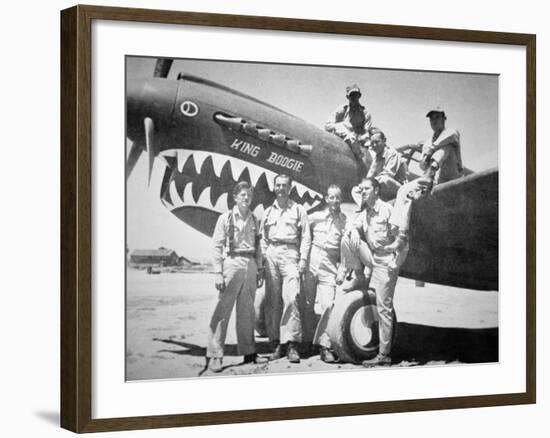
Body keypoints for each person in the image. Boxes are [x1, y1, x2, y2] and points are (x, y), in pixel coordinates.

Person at [336, 178, 409, 367]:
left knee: (384, 307)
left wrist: (396, 262)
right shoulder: (365, 212)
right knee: (347, 238)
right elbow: (352, 225)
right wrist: (352, 230)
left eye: (366, 189)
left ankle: (384, 354)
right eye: (361, 189)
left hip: (386, 261)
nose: (363, 192)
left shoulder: (387, 210)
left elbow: (403, 241)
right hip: (372, 257)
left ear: (376, 190)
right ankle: (359, 277)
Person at [206, 181, 267, 372]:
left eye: (249, 195)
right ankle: (216, 355)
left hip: (250, 264)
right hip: (231, 263)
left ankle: (249, 352)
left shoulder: (255, 220)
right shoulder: (225, 219)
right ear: (235, 197)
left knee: (247, 311)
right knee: (222, 311)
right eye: (242, 195)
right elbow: (216, 246)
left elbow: (258, 248)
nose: (246, 198)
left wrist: (260, 269)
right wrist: (218, 272)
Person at [260, 174, 311, 363]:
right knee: (272, 301)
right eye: (278, 185)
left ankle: (291, 344)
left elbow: (306, 237)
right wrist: (263, 259)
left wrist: (303, 260)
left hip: (291, 253)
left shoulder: (298, 210)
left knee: (291, 298)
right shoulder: (267, 212)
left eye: (284, 185)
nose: (281, 188)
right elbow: (263, 238)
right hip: (272, 254)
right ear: (274, 187)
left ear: (290, 188)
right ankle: (276, 344)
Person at [391, 107, 464, 233]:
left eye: (437, 117)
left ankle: (429, 177)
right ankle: (397, 229)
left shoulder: (451, 132)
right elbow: (422, 166)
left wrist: (432, 149)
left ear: (444, 118)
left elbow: (452, 136)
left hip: (452, 176)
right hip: (434, 179)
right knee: (403, 190)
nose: (434, 121)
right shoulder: (427, 142)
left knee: (446, 146)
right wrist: (425, 160)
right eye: (431, 118)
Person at [302, 185, 347, 363]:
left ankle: (324, 345)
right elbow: (302, 232)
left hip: (330, 265)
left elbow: (347, 247)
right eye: (331, 197)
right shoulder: (315, 217)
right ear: (326, 199)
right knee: (306, 304)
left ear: (341, 199)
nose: (335, 201)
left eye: (338, 197)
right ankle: (306, 342)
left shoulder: (345, 221)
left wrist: (343, 269)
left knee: (328, 305)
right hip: (312, 262)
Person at [325, 84, 373, 168]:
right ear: (347, 97)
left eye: (356, 95)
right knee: (339, 126)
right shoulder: (341, 110)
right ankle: (353, 143)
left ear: (359, 96)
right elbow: (328, 125)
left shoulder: (365, 112)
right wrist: (345, 132)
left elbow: (367, 132)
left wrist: (360, 138)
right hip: (341, 139)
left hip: (359, 141)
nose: (354, 97)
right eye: (352, 95)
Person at [365, 127, 408, 201]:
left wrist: (370, 183)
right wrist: (365, 184)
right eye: (372, 143)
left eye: (377, 142)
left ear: (384, 141)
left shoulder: (392, 153)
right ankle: (369, 205)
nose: (374, 145)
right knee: (356, 189)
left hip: (398, 187)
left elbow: (388, 174)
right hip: (381, 184)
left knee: (383, 180)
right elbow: (370, 175)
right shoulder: (377, 156)